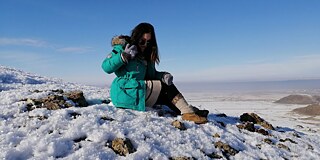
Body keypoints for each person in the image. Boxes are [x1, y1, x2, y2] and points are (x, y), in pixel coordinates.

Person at [102, 22, 208, 124]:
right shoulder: (123, 47)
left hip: (137, 90)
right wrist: (123, 57)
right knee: (164, 88)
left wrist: (163, 76)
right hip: (124, 92)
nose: (145, 45)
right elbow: (106, 67)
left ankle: (187, 110)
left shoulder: (147, 55)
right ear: (136, 37)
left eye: (149, 42)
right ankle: (188, 113)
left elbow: (151, 76)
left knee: (166, 95)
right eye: (142, 41)